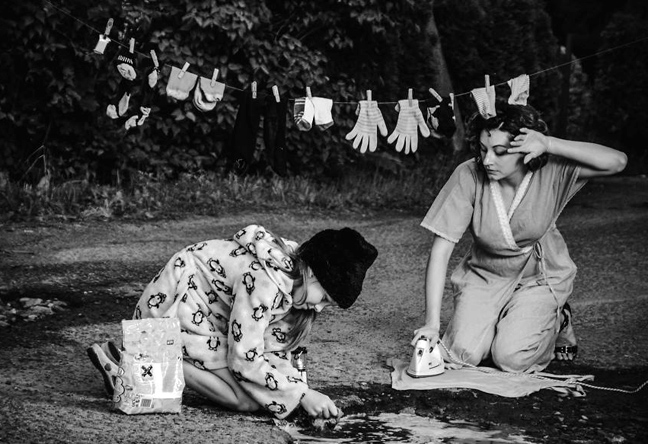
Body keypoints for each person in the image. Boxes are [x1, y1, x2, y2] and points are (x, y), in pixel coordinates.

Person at [412, 103, 627, 373]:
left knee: (510, 358)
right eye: (483, 149)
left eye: (500, 152)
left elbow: (617, 162)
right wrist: (432, 323)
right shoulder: (469, 174)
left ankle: (558, 320)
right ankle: (503, 320)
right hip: (486, 275)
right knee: (462, 354)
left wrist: (548, 143)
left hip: (539, 277)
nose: (487, 160)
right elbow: (441, 251)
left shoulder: (550, 170)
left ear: (525, 149)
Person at [88, 224, 378, 419]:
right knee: (247, 400)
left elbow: (272, 347)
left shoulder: (291, 278)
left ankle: (135, 370)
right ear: (312, 273)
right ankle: (148, 363)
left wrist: (296, 389)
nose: (321, 307)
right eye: (324, 297)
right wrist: (301, 394)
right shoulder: (265, 280)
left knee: (261, 396)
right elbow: (244, 359)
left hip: (204, 319)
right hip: (174, 312)